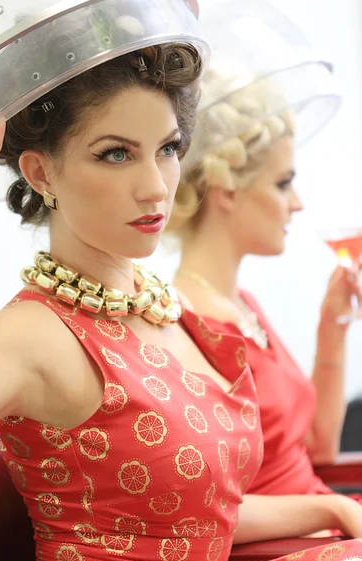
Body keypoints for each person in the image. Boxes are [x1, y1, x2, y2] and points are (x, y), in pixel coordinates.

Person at [0, 12, 362, 561]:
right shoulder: (30, 336)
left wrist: (334, 514)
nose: (156, 186)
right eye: (116, 154)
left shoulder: (169, 309)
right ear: (41, 171)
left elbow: (191, 520)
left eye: (169, 147)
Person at [170, 69, 362, 507]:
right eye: (283, 183)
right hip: (287, 553)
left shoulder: (243, 305)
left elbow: (318, 449)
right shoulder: (189, 323)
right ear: (227, 190)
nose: (298, 203)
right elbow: (210, 504)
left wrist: (331, 326)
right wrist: (331, 511)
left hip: (327, 530)